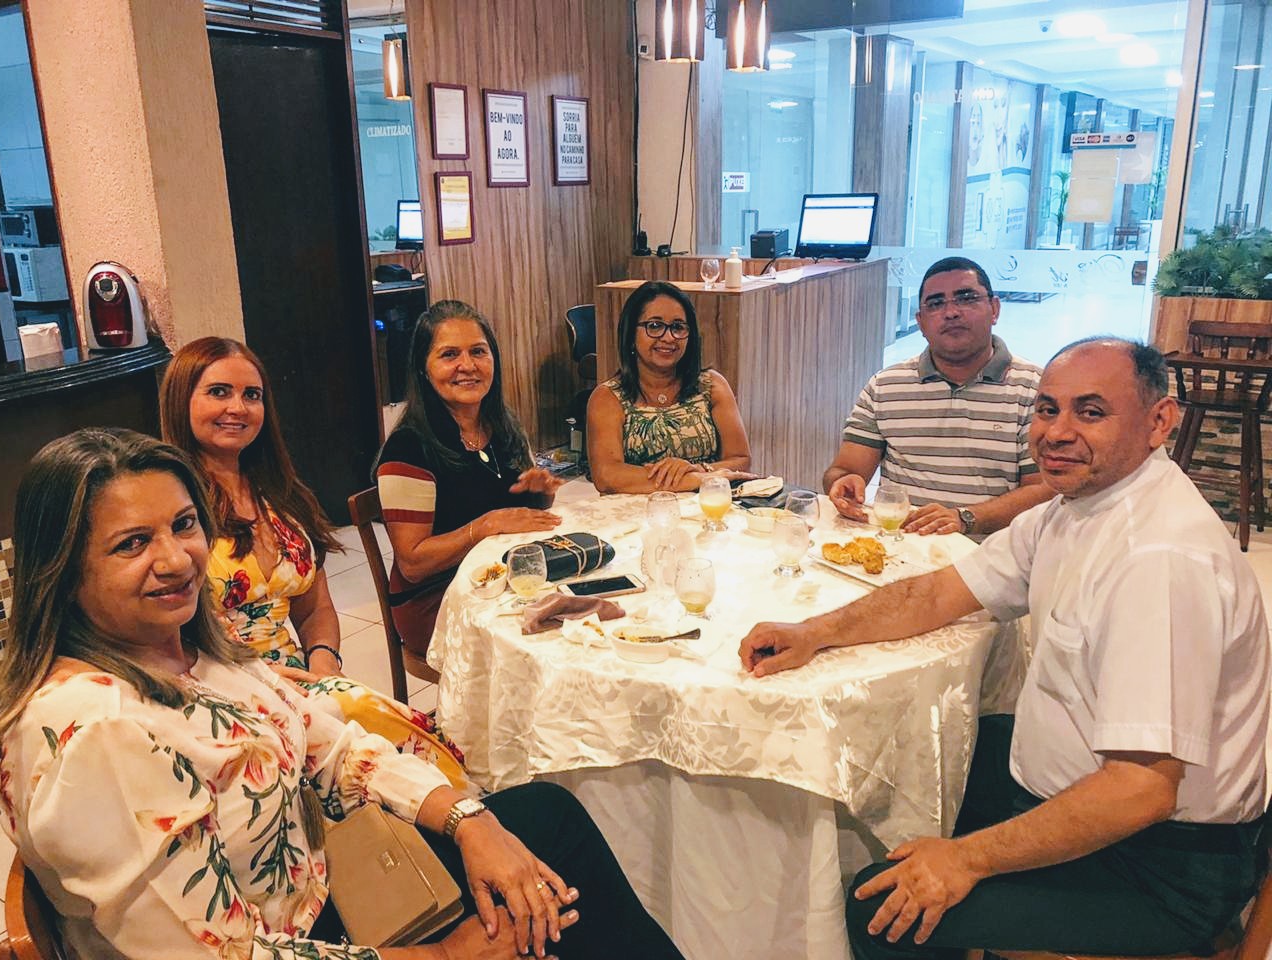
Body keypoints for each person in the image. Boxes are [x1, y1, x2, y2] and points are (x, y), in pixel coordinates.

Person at [0, 427, 686, 960]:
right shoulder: (97, 732)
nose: (176, 559)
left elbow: (331, 745)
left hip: (327, 886)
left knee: (542, 827)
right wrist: (445, 955)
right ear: (63, 569)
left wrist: (468, 820)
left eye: (183, 525)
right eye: (131, 544)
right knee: (555, 898)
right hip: (298, 938)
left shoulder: (188, 649)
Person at [741, 338, 1269, 958]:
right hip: (1070, 787)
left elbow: (1141, 790)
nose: (1057, 432)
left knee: (881, 909)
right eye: (1047, 409)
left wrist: (966, 859)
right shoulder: (1076, 506)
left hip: (1158, 863)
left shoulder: (1159, 560)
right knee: (922, 748)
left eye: (1091, 412)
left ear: (1159, 422)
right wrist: (814, 631)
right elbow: (941, 592)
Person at [161, 337, 466, 783]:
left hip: (300, 681)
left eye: (252, 395)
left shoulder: (276, 492)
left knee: (429, 750)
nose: (238, 408)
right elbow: (160, 645)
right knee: (396, 767)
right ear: (180, 400)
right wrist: (266, 684)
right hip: (219, 699)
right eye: (218, 392)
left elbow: (314, 607)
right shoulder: (168, 503)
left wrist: (324, 661)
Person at [376, 300, 565, 658]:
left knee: (586, 610)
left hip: (503, 576)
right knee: (549, 645)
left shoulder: (502, 424)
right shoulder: (407, 448)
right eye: (449, 355)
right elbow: (413, 564)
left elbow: (520, 515)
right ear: (423, 369)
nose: (467, 366)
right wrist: (485, 526)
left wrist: (540, 494)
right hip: (436, 600)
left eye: (478, 352)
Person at [824, 257, 1053, 538]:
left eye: (966, 298)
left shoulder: (1035, 389)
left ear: (994, 309)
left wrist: (965, 518)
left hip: (993, 553)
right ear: (920, 322)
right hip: (903, 548)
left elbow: (1044, 491)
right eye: (935, 304)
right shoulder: (885, 386)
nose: (951, 312)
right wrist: (843, 483)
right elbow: (844, 470)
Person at [586, 280, 755, 493]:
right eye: (654, 326)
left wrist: (698, 469)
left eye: (678, 327)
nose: (668, 337)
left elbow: (741, 460)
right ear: (631, 335)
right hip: (637, 511)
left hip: (709, 506)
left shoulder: (711, 386)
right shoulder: (608, 397)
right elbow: (607, 476)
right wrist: (694, 480)